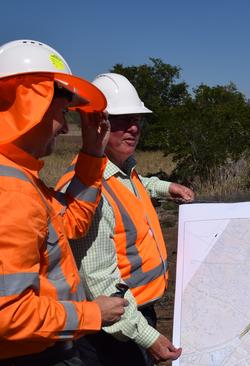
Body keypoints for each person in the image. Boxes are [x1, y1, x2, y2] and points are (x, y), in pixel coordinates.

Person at [0, 40, 127, 364]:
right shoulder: (12, 193)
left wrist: (93, 152)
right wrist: (92, 313)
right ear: (31, 106)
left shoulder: (19, 178)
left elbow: (71, 221)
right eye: (60, 113)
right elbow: (11, 315)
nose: (66, 127)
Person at [56, 73, 194, 365]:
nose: (133, 128)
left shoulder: (121, 169)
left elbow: (136, 182)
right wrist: (148, 337)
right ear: (96, 124)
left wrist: (166, 188)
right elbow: (99, 281)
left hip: (137, 313)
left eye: (137, 119)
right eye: (120, 120)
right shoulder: (87, 191)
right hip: (114, 330)